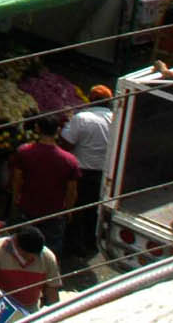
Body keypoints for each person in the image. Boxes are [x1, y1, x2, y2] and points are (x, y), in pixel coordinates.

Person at [11, 115, 80, 252]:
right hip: (54, 212)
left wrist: (15, 200)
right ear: (58, 131)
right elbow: (71, 191)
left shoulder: (24, 152)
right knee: (50, 251)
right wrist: (68, 210)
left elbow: (17, 180)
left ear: (37, 128)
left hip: (27, 207)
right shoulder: (70, 160)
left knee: (22, 249)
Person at [60, 85, 115, 259]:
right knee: (93, 210)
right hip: (102, 174)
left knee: (76, 208)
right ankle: (91, 243)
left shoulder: (82, 118)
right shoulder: (115, 119)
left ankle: (74, 245)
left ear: (90, 99)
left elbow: (67, 142)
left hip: (80, 171)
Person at [0, 224, 61, 310]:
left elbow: (52, 289)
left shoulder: (47, 257)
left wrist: (56, 314)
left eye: (34, 256)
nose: (30, 259)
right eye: (26, 255)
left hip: (30, 308)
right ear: (16, 244)